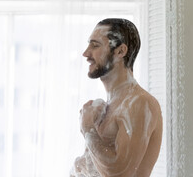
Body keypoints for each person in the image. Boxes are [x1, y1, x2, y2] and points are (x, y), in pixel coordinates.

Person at [70, 18, 163, 177]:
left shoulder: (140, 103)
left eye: (95, 45)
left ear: (120, 51)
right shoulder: (108, 107)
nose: (86, 53)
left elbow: (120, 173)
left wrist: (88, 129)